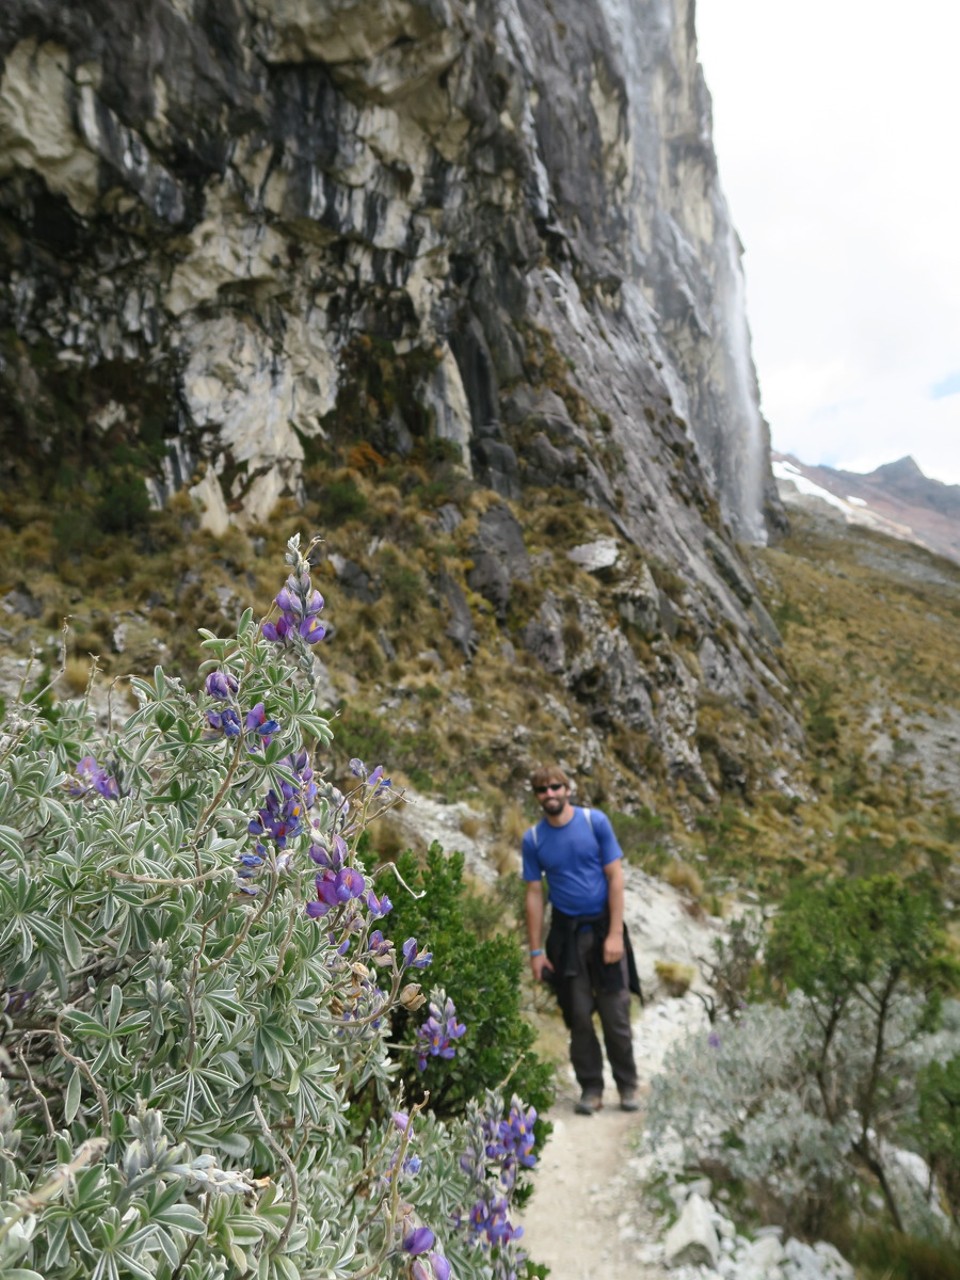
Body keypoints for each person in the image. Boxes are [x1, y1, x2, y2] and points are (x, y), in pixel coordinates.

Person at [522, 764, 641, 1115]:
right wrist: (535, 951)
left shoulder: (595, 823)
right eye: (543, 790)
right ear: (537, 797)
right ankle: (591, 1088)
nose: (551, 795)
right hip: (565, 936)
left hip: (606, 928)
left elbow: (615, 877)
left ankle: (628, 1085)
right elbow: (533, 894)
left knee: (616, 1013)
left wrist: (616, 933)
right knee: (577, 1015)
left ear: (568, 789)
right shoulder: (533, 839)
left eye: (556, 787)